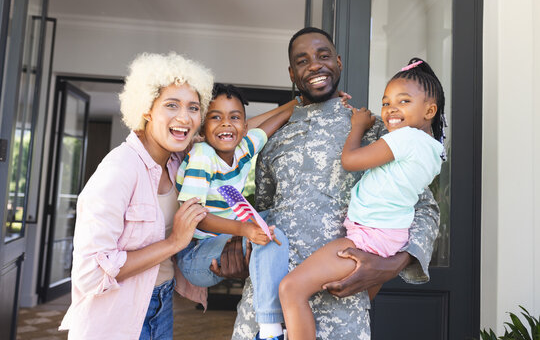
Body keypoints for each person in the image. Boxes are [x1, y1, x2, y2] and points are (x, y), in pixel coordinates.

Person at [230, 27, 440, 340]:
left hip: (341, 305)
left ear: (338, 63)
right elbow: (261, 211)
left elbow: (424, 206)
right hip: (266, 301)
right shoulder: (273, 137)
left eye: (323, 56)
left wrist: (393, 264)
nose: (314, 65)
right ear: (292, 73)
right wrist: (237, 242)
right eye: (302, 61)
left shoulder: (376, 129)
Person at [279, 58, 446, 340]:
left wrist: (358, 125)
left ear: (430, 110)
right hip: (387, 236)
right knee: (357, 308)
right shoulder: (433, 150)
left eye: (403, 101)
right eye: (386, 102)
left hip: (368, 238)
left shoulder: (404, 138)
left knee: (291, 289)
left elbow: (350, 160)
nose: (391, 109)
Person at [59, 52, 214, 340]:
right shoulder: (118, 169)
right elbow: (91, 273)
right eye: (171, 105)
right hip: (114, 317)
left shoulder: (179, 163)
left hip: (161, 304)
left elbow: (234, 133)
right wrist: (174, 242)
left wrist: (297, 104)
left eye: (193, 107)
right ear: (147, 110)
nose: (184, 117)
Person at [175, 83, 296, 340]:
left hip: (225, 242)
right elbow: (194, 216)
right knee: (268, 237)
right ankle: (270, 331)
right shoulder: (203, 155)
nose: (226, 124)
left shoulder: (243, 148)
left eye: (234, 117)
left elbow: (272, 123)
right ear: (202, 125)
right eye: (215, 117)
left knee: (280, 221)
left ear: (244, 125)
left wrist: (300, 103)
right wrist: (245, 230)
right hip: (196, 257)